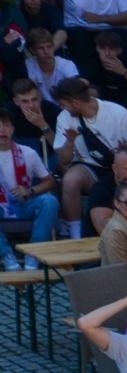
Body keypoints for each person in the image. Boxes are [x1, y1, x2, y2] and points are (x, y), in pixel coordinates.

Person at [52, 76, 127, 239]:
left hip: (119, 167)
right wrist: (70, 141)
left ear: (75, 103)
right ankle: (76, 235)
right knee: (70, 179)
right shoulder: (64, 118)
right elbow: (64, 160)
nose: (62, 108)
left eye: (63, 104)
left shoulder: (117, 112)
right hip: (89, 168)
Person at [0, 109, 56, 269]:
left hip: (25, 203)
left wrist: (30, 191)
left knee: (49, 201)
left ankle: (34, 254)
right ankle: (6, 255)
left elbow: (50, 182)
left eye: (6, 125)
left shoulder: (28, 153)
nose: (2, 130)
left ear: (13, 129)